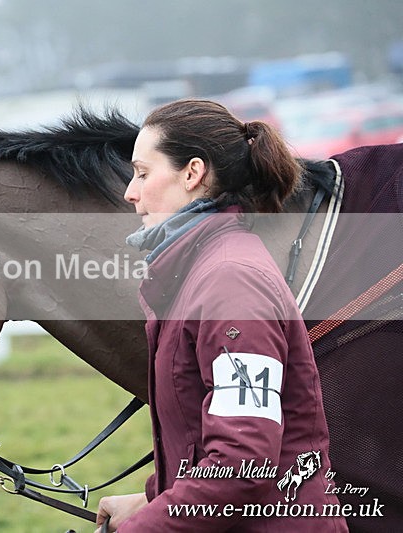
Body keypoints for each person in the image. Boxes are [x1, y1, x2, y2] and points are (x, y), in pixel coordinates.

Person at [95, 99, 347, 532]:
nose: (129, 192)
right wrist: (151, 499)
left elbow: (242, 466)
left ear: (192, 173)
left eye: (142, 173)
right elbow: (205, 448)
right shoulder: (203, 270)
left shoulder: (231, 282)